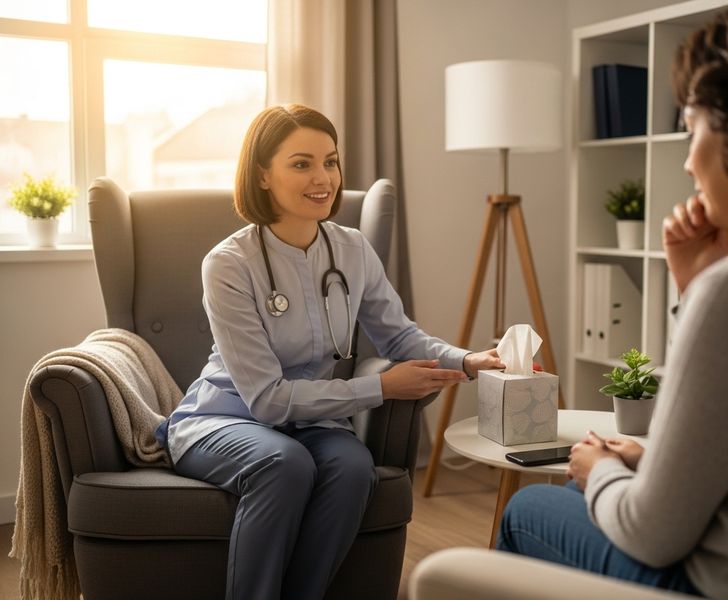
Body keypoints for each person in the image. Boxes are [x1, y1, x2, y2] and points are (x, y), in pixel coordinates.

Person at [497, 1, 728, 598]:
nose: (688, 162)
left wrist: (602, 467)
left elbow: (650, 532)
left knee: (535, 504)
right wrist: (697, 286)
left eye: (692, 130)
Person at [154, 103, 503, 600]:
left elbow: (400, 337)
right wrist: (380, 387)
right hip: (227, 418)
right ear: (263, 175)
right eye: (301, 164)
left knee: (352, 466)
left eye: (331, 161)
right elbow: (267, 401)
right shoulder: (228, 264)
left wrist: (468, 361)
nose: (323, 178)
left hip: (313, 423)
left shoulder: (352, 249)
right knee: (284, 463)